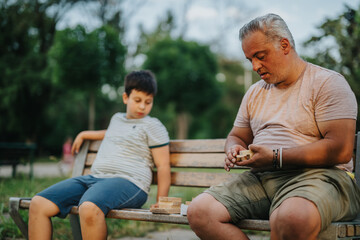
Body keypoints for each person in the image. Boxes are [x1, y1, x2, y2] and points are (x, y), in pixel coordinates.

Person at [187, 13, 360, 240]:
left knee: (291, 219)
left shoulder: (328, 83)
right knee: (200, 212)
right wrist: (233, 148)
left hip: (319, 177)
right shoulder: (255, 92)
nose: (255, 66)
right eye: (250, 59)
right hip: (261, 179)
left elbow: (340, 149)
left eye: (260, 56)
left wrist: (276, 157)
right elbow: (237, 136)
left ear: (284, 45)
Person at [29, 70, 171, 240]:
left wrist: (162, 200)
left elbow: (163, 165)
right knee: (38, 203)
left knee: (89, 207)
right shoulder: (117, 119)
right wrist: (85, 134)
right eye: (138, 100)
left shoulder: (153, 126)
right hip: (95, 179)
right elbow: (112, 133)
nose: (142, 106)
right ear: (125, 98)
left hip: (130, 183)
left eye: (148, 102)